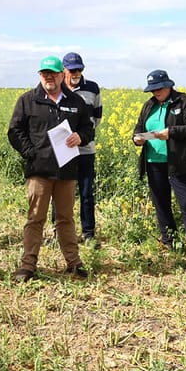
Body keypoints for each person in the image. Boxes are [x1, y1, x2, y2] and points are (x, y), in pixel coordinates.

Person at [7, 56, 95, 282]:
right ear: (40, 75)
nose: (48, 77)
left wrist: (81, 136)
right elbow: (15, 131)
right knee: (35, 218)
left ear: (61, 75)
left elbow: (88, 129)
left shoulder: (76, 102)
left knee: (66, 218)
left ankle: (74, 263)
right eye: (44, 73)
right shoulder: (28, 100)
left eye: (53, 73)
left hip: (67, 170)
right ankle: (28, 265)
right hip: (39, 170)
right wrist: (31, 152)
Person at [132, 69, 186, 248]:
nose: (156, 92)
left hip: (178, 162)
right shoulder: (149, 105)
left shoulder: (183, 101)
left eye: (159, 88)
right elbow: (138, 128)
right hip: (154, 162)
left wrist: (170, 132)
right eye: (152, 90)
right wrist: (137, 139)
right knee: (161, 203)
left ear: (168, 85)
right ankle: (169, 241)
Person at [62, 52, 102, 241]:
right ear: (64, 70)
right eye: (72, 70)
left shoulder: (92, 88)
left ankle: (88, 233)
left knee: (86, 192)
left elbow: (97, 118)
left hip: (85, 149)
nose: (76, 73)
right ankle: (59, 232)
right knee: (61, 193)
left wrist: (82, 135)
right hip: (62, 150)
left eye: (79, 69)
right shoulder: (57, 88)